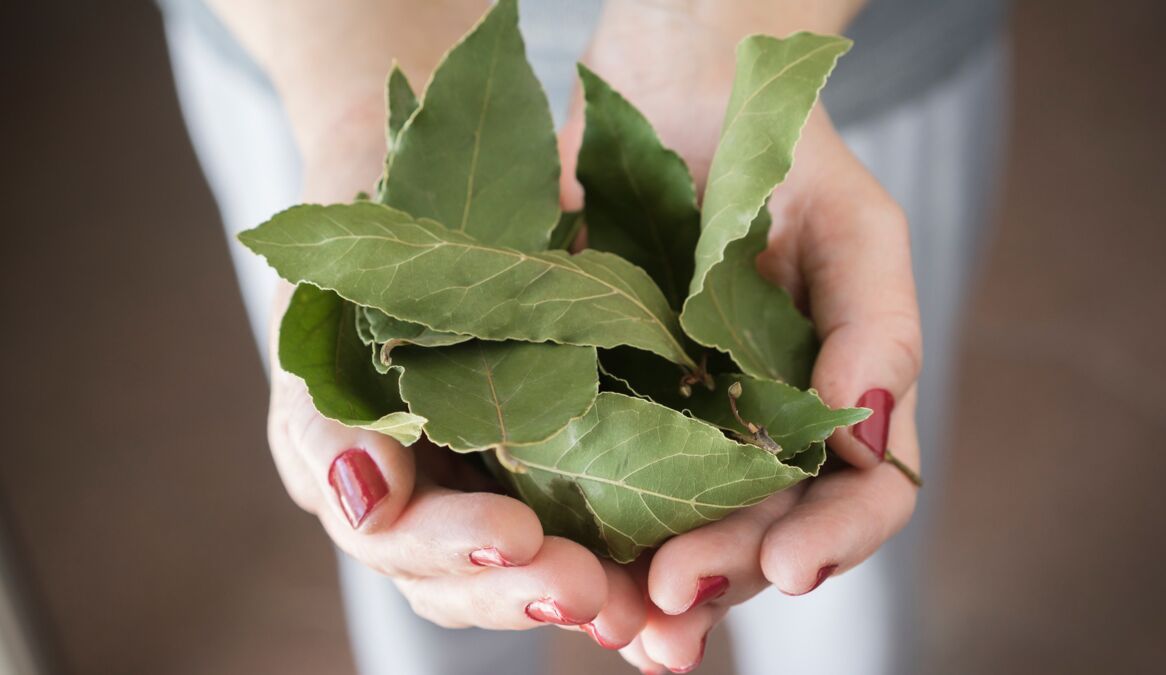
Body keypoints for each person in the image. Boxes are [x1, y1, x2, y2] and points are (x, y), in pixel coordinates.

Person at [159, 1, 1008, 672]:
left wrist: (707, 26)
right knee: (433, 552)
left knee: (835, 599)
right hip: (311, 33)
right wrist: (354, 92)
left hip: (827, 37)